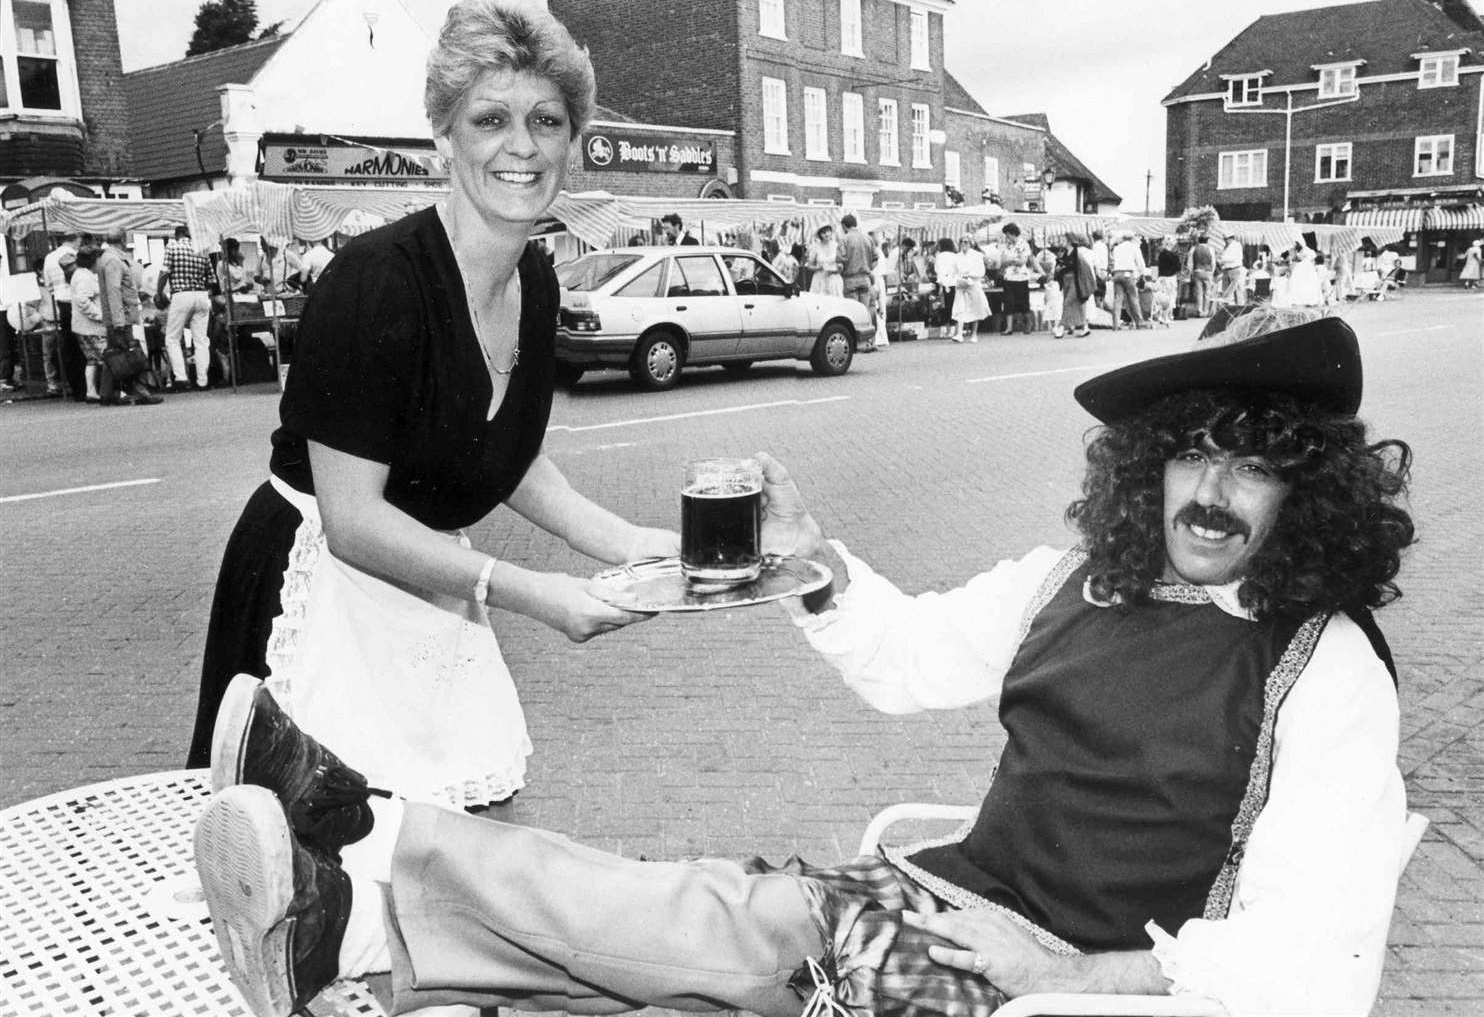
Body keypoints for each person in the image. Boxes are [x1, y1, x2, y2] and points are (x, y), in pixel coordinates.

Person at [196, 307, 1416, 1017]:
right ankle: (353, 904)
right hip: (938, 903)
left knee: (717, 926)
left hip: (1057, 993)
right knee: (697, 923)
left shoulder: (1324, 674)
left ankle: (365, 853)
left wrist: (1066, 969)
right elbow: (906, 657)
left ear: (1304, 490)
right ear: (1146, 462)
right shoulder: (1073, 579)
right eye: (1188, 453)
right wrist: (814, 560)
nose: (1208, 492)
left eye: (1249, 462)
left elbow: (1310, 962)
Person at [184, 0, 680, 807]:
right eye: (490, 120)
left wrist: (631, 543)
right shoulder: (378, 281)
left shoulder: (537, 277)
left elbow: (500, 454)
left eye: (547, 122)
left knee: (449, 844)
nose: (522, 147)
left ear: (572, 142)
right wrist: (533, 593)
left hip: (430, 573)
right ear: (444, 137)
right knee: (314, 868)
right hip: (321, 580)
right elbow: (352, 521)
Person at [96, 229, 161, 406]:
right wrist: (118, 320)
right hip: (122, 316)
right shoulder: (114, 260)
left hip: (116, 316)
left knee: (114, 354)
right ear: (123, 240)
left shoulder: (107, 258)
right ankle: (142, 392)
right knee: (131, 354)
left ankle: (107, 393)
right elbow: (114, 290)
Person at [158, 226, 216, 392]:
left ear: (177, 235)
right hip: (201, 295)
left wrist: (159, 291)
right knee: (201, 340)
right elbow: (211, 279)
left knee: (172, 338)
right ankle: (202, 380)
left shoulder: (172, 246)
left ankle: (181, 378)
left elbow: (164, 273)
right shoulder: (202, 249)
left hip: (181, 295)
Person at [37, 232, 80, 397]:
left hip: (61, 303)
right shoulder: (74, 255)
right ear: (75, 240)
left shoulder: (49, 258)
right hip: (75, 300)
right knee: (81, 344)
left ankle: (73, 384)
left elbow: (48, 284)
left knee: (68, 344)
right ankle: (85, 384)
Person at [68, 245, 106, 403]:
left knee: (92, 360)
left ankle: (91, 390)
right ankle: (108, 390)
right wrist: (99, 315)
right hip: (91, 326)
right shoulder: (85, 277)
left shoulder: (79, 274)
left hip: (81, 326)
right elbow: (83, 300)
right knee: (105, 357)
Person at [838, 214, 879, 348]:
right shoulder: (867, 238)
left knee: (853, 313)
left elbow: (840, 263)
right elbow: (875, 259)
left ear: (844, 225)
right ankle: (868, 342)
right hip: (865, 279)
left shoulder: (844, 239)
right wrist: (866, 267)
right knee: (865, 312)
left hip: (850, 279)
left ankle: (856, 343)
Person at [996, 222, 1039, 335]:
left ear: (1012, 233)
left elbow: (1022, 262)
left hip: (1021, 277)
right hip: (1008, 277)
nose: (1007, 237)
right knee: (1008, 302)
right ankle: (1009, 327)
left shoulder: (1023, 244)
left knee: (1023, 302)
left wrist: (1010, 260)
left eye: (1007, 234)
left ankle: (1028, 324)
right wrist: (1012, 260)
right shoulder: (1005, 245)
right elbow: (1003, 261)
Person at [1054, 232, 1096, 339]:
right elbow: (1060, 265)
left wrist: (1062, 267)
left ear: (1069, 240)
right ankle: (1084, 327)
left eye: (1063, 239)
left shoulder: (1077, 253)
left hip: (1075, 281)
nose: (1061, 241)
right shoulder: (1064, 252)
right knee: (1077, 305)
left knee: (1067, 303)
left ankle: (1061, 327)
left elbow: (1082, 268)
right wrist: (1059, 268)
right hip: (1066, 281)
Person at [952, 232, 989, 343]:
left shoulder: (977, 255)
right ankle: (959, 334)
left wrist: (970, 274)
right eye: (961, 242)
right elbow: (953, 271)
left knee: (975, 309)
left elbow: (981, 271)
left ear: (971, 243)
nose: (963, 244)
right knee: (960, 308)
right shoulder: (957, 257)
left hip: (974, 283)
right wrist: (957, 279)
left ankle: (974, 334)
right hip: (961, 284)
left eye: (966, 242)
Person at [1108, 230, 1149, 330]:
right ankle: (1139, 322)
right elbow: (1140, 262)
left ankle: (1116, 324)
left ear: (1122, 238)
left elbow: (1112, 261)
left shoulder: (1116, 248)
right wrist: (1142, 274)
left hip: (1117, 274)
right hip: (1128, 274)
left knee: (1118, 299)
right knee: (1133, 297)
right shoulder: (1134, 247)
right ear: (1132, 238)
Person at [807, 224, 843, 298]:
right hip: (819, 279)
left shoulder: (836, 246)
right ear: (820, 235)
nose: (826, 234)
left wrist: (838, 269)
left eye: (828, 231)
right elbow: (809, 266)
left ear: (831, 232)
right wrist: (818, 268)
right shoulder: (815, 247)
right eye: (823, 233)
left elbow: (841, 265)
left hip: (834, 279)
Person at [933, 236, 959, 337]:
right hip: (954, 283)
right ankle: (955, 329)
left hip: (943, 284)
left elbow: (937, 270)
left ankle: (947, 330)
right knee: (954, 306)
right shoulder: (955, 255)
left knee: (944, 307)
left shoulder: (939, 256)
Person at [1187, 234, 1216, 317]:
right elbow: (1213, 262)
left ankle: (1199, 311)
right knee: (1207, 293)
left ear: (1198, 240)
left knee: (1199, 292)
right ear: (1207, 241)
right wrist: (1212, 272)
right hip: (1208, 272)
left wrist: (1191, 272)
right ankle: (1206, 311)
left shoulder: (1194, 249)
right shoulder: (1210, 249)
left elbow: (1190, 263)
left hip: (1197, 271)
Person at [1218, 235, 1246, 305]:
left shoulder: (1236, 246)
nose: (1225, 241)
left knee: (1235, 290)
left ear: (1231, 238)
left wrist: (1222, 260)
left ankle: (1239, 306)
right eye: (1224, 239)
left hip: (1234, 269)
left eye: (1226, 239)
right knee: (1225, 290)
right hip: (1226, 269)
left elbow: (1233, 258)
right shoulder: (1226, 247)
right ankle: (1228, 306)